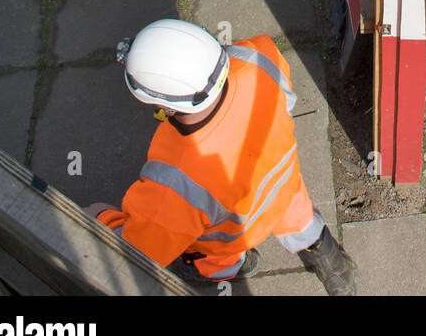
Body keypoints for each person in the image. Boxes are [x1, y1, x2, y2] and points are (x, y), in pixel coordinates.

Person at [85, 18, 356, 295]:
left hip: (232, 235)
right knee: (298, 216)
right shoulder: (259, 58)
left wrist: (101, 217)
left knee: (209, 252)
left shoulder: (174, 182)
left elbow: (136, 252)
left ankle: (234, 266)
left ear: (163, 106)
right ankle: (328, 260)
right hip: (282, 189)